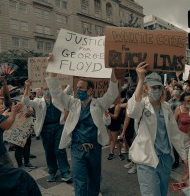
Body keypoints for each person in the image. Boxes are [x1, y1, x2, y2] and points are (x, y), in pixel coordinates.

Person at [46, 61, 119, 196]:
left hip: (94, 149)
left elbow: (112, 92)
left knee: (94, 178)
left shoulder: (99, 104)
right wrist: (52, 67)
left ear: (90, 90)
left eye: (81, 88)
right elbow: (56, 92)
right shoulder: (72, 103)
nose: (78, 90)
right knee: (79, 180)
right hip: (77, 149)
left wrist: (112, 69)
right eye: (77, 87)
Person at [127, 62, 188, 196]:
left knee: (162, 193)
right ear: (146, 88)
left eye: (159, 87)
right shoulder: (142, 105)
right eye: (153, 87)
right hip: (147, 160)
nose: (156, 90)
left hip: (165, 160)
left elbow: (174, 135)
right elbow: (132, 111)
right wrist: (141, 79)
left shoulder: (166, 107)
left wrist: (184, 157)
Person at [22, 80, 71, 183]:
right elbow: (25, 101)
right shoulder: (37, 101)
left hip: (58, 127)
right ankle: (52, 172)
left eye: (49, 89)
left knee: (60, 149)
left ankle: (65, 172)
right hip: (45, 129)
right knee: (49, 151)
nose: (47, 91)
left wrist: (70, 78)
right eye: (45, 89)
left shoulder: (58, 98)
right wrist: (27, 87)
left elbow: (68, 89)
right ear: (41, 90)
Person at [174, 92, 190, 181]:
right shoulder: (178, 109)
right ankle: (187, 172)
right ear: (183, 102)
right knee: (185, 156)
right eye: (188, 101)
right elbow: (173, 122)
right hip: (182, 135)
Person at [107, 96, 124, 161]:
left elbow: (115, 116)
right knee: (111, 139)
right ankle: (111, 153)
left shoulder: (117, 106)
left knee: (116, 140)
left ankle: (120, 154)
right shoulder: (112, 104)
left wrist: (108, 113)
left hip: (115, 124)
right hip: (110, 124)